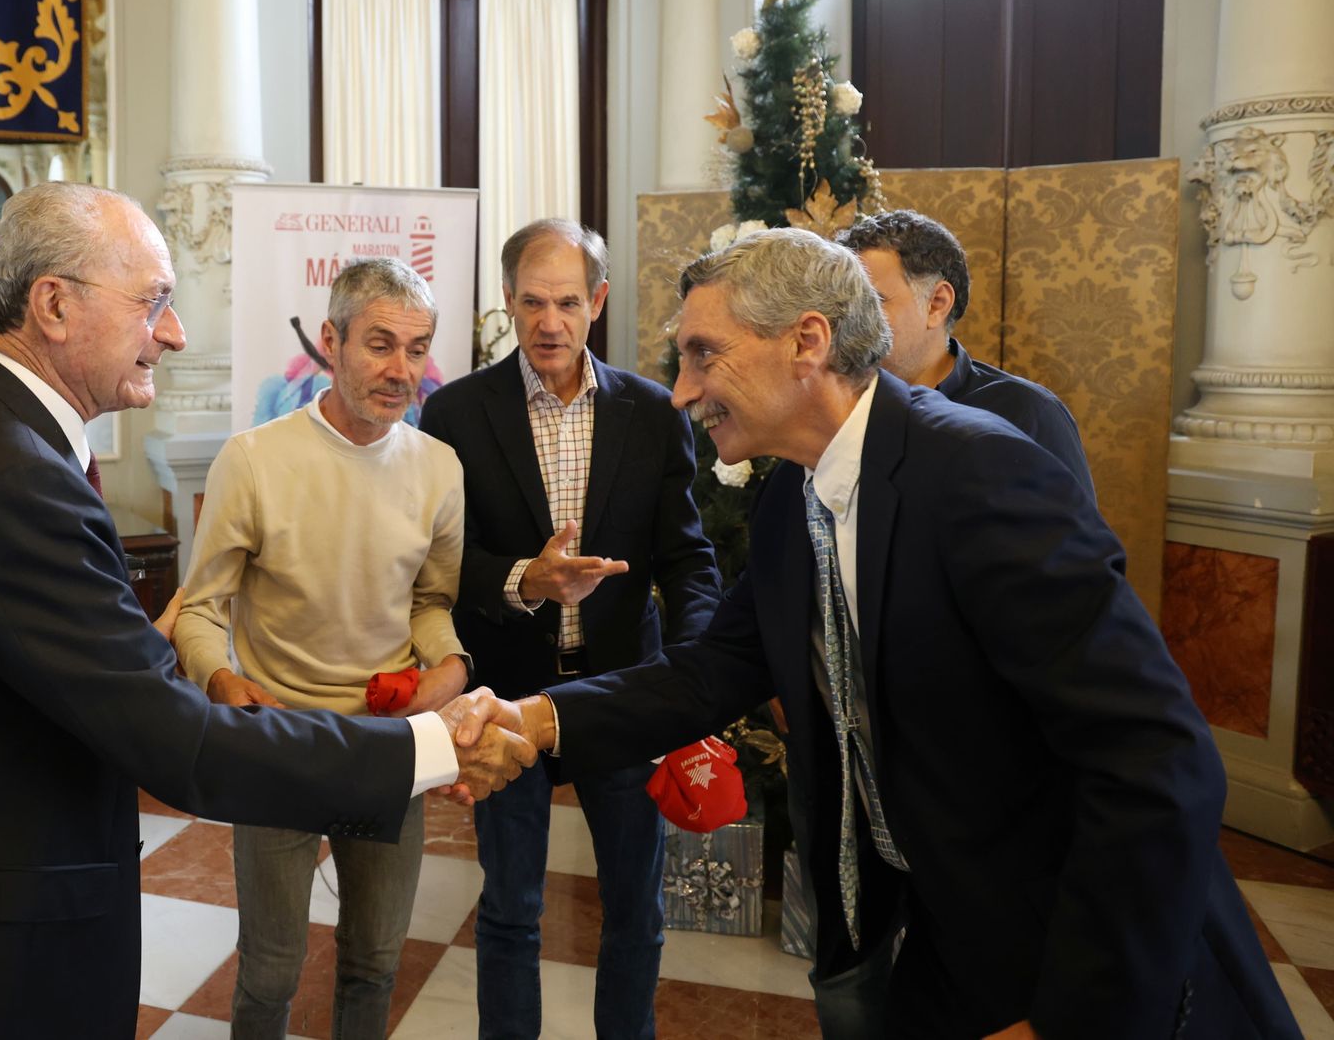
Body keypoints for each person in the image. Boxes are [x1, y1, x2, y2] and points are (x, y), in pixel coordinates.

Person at [479, 229, 1297, 1039]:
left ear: (807, 342)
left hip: (1073, 953)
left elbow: (1157, 757)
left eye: (703, 355)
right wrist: (534, 719)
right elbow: (713, 670)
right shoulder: (791, 500)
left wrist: (1067, 1021)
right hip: (936, 943)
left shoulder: (977, 473)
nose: (682, 392)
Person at [0, 182, 535, 1040]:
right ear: (54, 305)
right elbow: (176, 740)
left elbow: (48, 670)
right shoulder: (14, 479)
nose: (177, 332)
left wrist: (136, 651)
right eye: (153, 301)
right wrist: (434, 744)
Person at [420, 219, 721, 1040]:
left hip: (623, 689)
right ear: (507, 302)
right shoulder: (454, 412)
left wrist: (692, 674)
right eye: (531, 302)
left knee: (636, 910)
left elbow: (688, 559)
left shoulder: (652, 412)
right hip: (506, 694)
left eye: (566, 302)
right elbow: (438, 564)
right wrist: (527, 579)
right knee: (511, 908)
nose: (548, 322)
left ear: (598, 300)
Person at [176, 257, 471, 1038]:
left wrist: (452, 664)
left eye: (417, 348)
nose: (401, 369)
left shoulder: (439, 467)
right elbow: (199, 609)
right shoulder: (253, 459)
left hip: (389, 740)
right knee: (270, 969)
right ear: (331, 342)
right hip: (279, 738)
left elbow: (430, 604)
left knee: (375, 960)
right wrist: (222, 682)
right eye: (380, 344)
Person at [836, 210, 1094, 498]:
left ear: (937, 304)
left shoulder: (1026, 414)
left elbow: (1068, 527)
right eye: (842, 305)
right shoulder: (833, 408)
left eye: (870, 302)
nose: (845, 321)